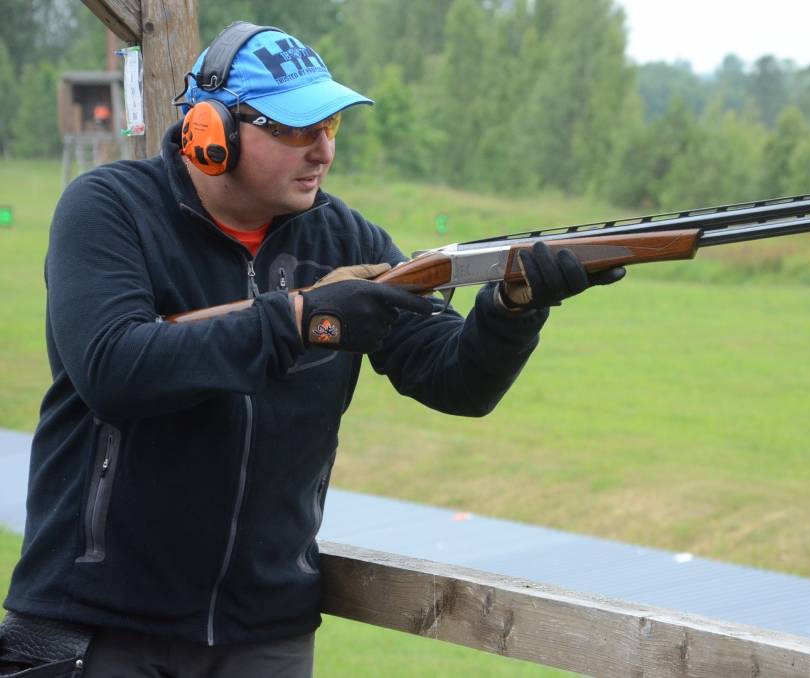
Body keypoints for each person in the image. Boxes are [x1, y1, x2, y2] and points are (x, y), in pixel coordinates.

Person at [0, 22, 623, 678]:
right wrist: (301, 319)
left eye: (331, 127)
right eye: (298, 130)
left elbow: (456, 382)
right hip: (97, 626)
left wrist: (512, 309)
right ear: (213, 132)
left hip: (265, 634)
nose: (323, 151)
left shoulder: (347, 238)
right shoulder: (109, 208)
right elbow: (114, 367)